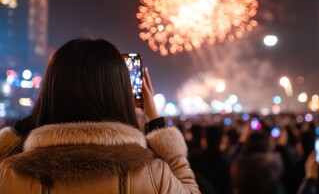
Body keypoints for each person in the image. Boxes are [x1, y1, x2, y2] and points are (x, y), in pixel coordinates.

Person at [0, 38, 200, 194]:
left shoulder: (10, 174)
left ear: (49, 93)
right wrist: (156, 123)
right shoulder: (153, 175)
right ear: (121, 96)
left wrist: (29, 122)